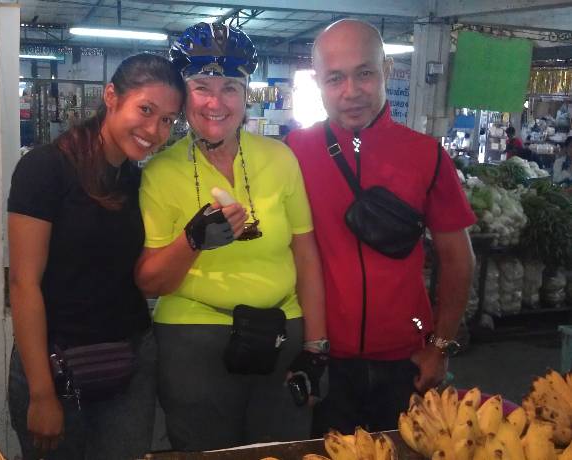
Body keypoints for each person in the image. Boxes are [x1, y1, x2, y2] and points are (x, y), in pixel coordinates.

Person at [136, 22, 328, 451]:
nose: (215, 102)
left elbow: (306, 254)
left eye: (231, 88)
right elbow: (150, 282)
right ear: (183, 95)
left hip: (283, 332)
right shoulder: (160, 172)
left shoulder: (280, 158)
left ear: (246, 95)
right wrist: (192, 240)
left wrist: (316, 347)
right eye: (202, 86)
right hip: (193, 341)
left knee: (284, 449)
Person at [285, 19, 476, 435]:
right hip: (323, 358)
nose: (351, 92)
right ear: (317, 81)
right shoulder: (294, 152)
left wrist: (439, 347)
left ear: (387, 71)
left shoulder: (426, 155)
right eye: (335, 78)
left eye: (365, 73)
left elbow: (458, 259)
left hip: (406, 359)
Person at [7, 53, 184, 460]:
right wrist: (41, 393)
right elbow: (23, 283)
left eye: (168, 120)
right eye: (145, 110)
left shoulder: (137, 180)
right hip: (56, 364)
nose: (154, 130)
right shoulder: (45, 169)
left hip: (129, 363)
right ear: (110, 96)